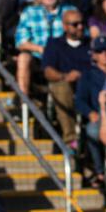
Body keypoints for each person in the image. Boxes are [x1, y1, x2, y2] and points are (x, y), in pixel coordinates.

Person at [13, 0, 75, 95]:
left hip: (64, 57)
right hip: (39, 57)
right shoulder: (29, 12)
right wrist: (40, 49)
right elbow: (20, 42)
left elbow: (82, 36)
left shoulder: (70, 11)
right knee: (23, 58)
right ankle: (24, 103)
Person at [42, 9, 91, 147]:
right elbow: (48, 71)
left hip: (90, 83)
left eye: (82, 23)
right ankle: (71, 140)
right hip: (67, 84)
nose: (80, 27)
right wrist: (65, 76)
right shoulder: (54, 44)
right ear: (65, 26)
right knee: (60, 87)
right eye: (75, 24)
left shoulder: (91, 44)